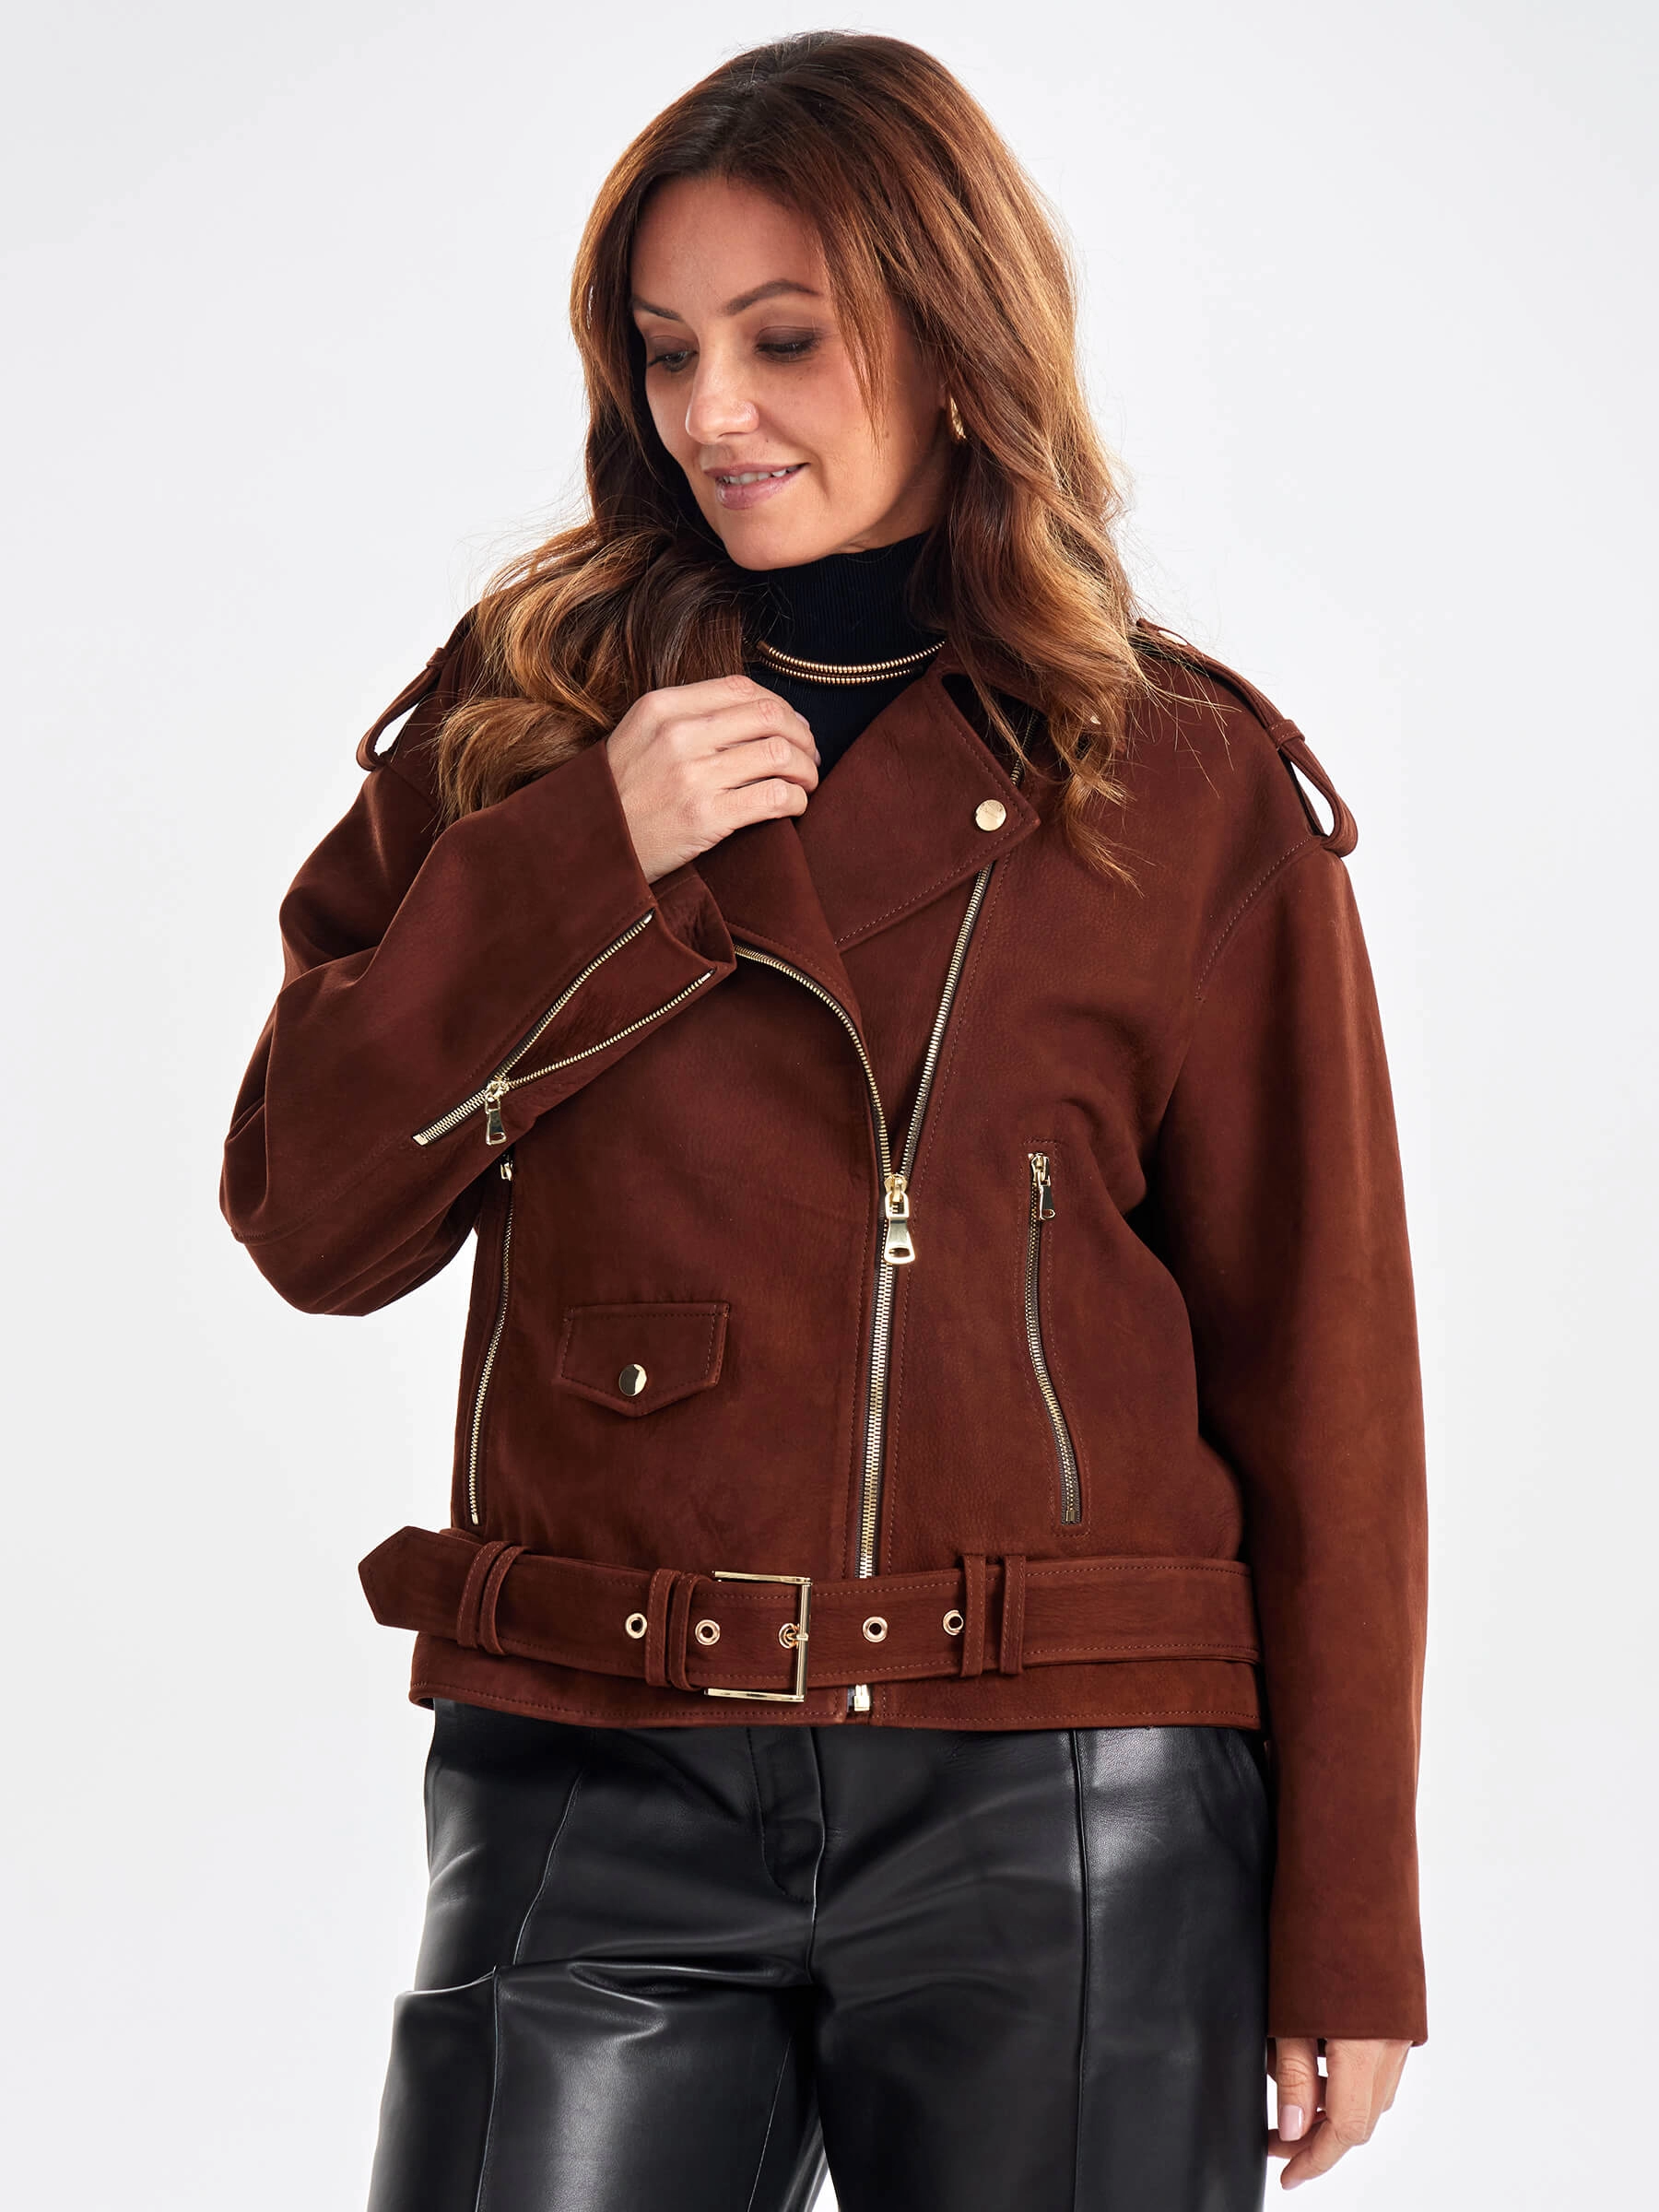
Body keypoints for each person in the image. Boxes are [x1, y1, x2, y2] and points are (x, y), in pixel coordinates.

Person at [221, 31, 1427, 2212]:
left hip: (1069, 1797)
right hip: (592, 1767)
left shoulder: (1182, 778)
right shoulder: (529, 722)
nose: (715, 413)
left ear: (955, 339)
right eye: (667, 347)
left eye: (785, 340)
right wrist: (588, 858)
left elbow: (1322, 1381)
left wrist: (1348, 1923)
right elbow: (313, 1218)